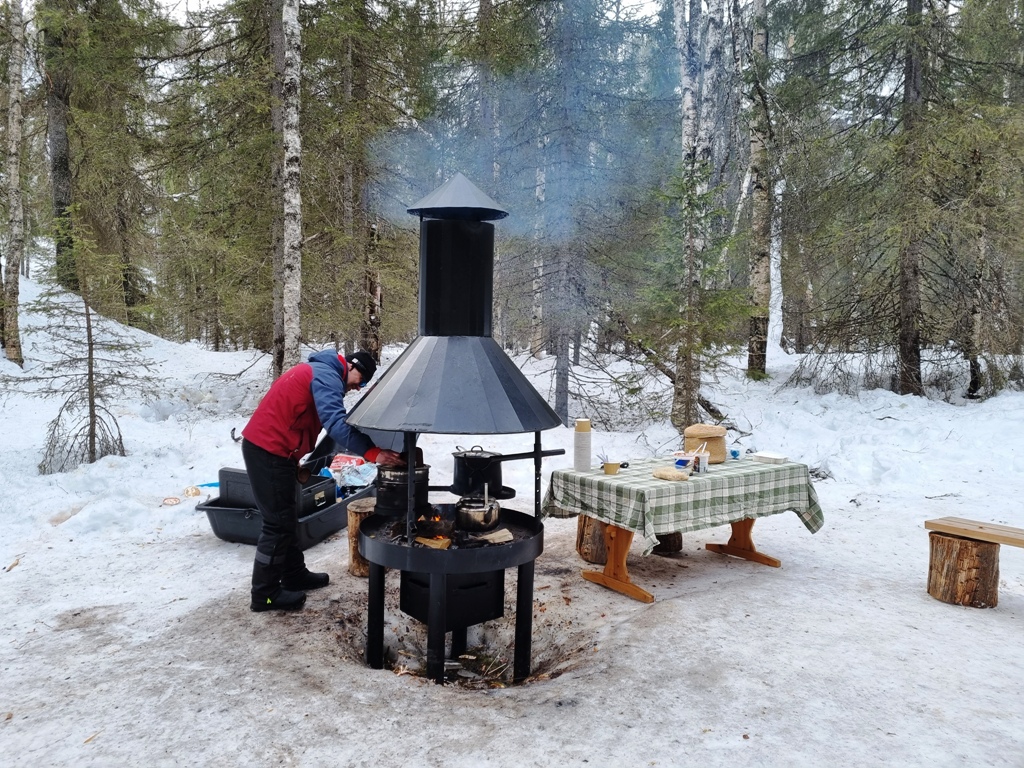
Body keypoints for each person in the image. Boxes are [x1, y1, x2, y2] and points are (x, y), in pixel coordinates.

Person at [241, 349, 403, 612]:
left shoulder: (321, 372)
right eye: (359, 380)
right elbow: (336, 424)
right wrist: (373, 452)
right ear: (351, 366)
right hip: (267, 451)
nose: (356, 387)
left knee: (287, 518)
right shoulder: (326, 375)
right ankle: (265, 595)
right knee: (277, 525)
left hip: (279, 452)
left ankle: (293, 575)